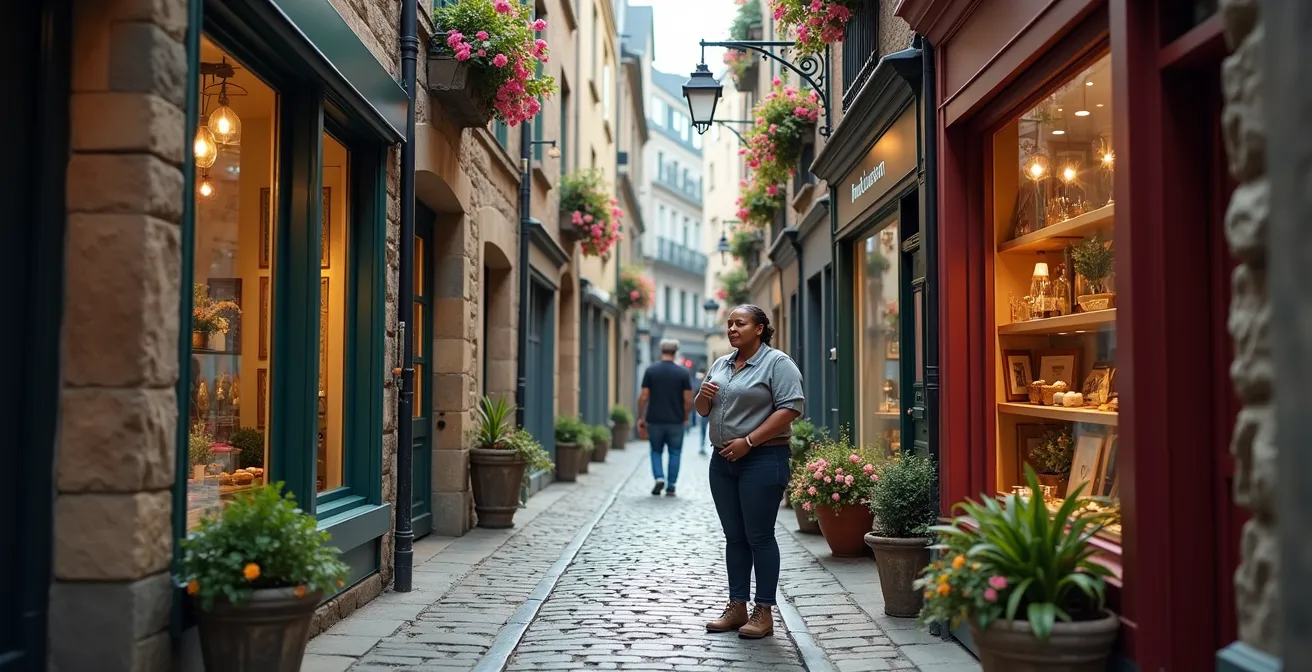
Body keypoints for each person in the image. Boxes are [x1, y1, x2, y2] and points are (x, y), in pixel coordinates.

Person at [696, 305, 803, 640]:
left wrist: (750, 441)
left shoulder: (777, 363)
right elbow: (702, 410)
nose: (731, 329)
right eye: (729, 324)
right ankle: (736, 605)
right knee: (735, 537)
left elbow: (791, 407)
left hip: (763, 459)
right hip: (722, 463)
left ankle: (764, 610)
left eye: (739, 323)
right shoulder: (721, 364)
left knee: (759, 536)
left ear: (759, 328)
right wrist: (703, 395)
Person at [638, 339, 694, 496]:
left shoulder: (651, 371)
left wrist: (641, 416)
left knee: (655, 451)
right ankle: (671, 485)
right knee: (675, 452)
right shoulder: (683, 373)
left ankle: (659, 477)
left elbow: (643, 396)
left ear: (661, 351)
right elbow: (688, 399)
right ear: (675, 352)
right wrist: (685, 417)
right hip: (676, 421)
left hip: (654, 420)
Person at [695, 367, 709, 455]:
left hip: (707, 409)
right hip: (705, 409)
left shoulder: (704, 381)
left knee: (704, 429)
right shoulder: (701, 381)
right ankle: (702, 446)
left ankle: (703, 446)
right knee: (703, 429)